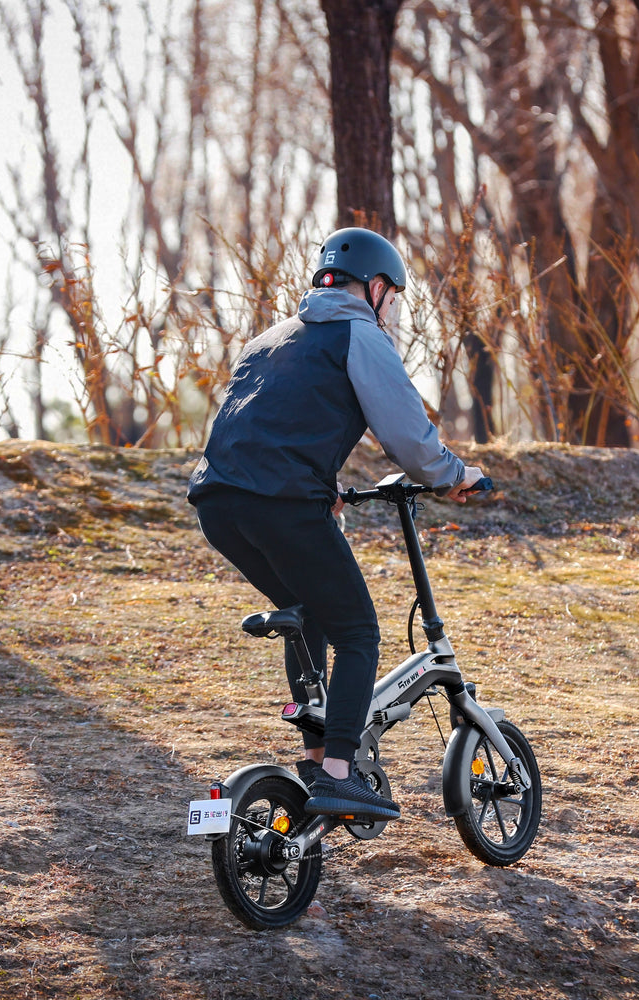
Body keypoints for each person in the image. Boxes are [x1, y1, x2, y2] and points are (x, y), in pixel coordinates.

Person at [187, 227, 485, 821]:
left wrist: (323, 492)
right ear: (374, 288)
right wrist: (454, 475)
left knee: (310, 614)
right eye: (392, 298)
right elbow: (407, 435)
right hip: (280, 503)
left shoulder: (269, 339)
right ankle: (339, 773)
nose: (391, 311)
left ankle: (319, 751)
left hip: (219, 504)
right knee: (357, 632)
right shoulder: (359, 334)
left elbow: (267, 427)